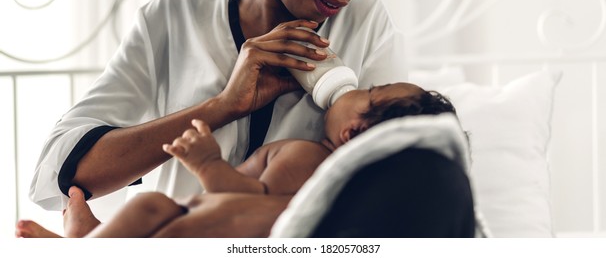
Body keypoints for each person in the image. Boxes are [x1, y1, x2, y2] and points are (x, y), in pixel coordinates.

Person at [27, 0, 474, 237]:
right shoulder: (174, 17)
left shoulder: (365, 22)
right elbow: (63, 171)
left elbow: (398, 172)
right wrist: (223, 106)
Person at [17, 82, 461, 238]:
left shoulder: (306, 158)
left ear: (353, 130)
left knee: (147, 207)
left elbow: (247, 201)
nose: (355, 88)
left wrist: (208, 164)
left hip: (207, 230)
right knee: (147, 211)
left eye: (368, 93)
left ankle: (84, 248)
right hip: (195, 224)